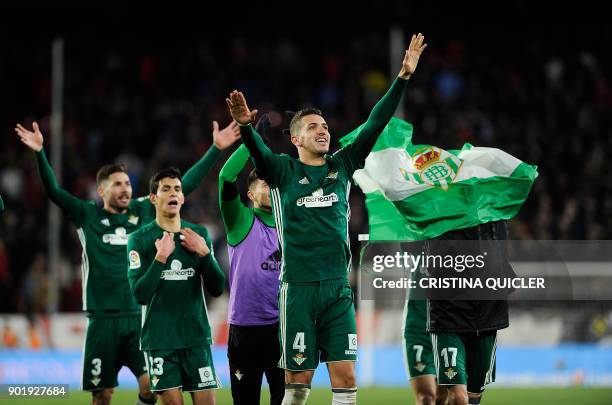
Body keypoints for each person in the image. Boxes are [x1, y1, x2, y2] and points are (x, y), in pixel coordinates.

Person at [227, 33, 427, 405]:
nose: (324, 130)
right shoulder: (282, 171)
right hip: (298, 290)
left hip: (337, 290)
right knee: (297, 383)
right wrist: (244, 127)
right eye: (314, 127)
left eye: (325, 126)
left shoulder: (342, 164)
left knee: (346, 378)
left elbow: (374, 124)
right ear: (296, 139)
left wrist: (402, 78)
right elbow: (257, 152)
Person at [15, 120, 239, 405]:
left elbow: (181, 187)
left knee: (149, 390)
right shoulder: (88, 216)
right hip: (102, 318)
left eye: (127, 184)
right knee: (102, 395)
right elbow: (54, 193)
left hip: (138, 317)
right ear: (101, 191)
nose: (125, 189)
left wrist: (215, 149)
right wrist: (39, 152)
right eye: (117, 184)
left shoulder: (142, 210)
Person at [127, 167, 225, 405]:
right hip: (160, 342)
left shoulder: (198, 235)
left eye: (177, 189)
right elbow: (139, 294)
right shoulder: (139, 239)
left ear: (182, 198)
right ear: (153, 198)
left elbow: (217, 288)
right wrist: (160, 258)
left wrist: (204, 254)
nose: (173, 193)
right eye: (166, 189)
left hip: (196, 338)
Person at [218, 114, 284, 404]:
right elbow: (225, 177)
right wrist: (250, 140)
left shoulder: (289, 224)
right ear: (250, 194)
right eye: (264, 183)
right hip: (245, 331)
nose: (271, 187)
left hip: (283, 328)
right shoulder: (240, 221)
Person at [427, 220, 511, 405]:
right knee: (459, 397)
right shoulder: (441, 200)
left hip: (487, 312)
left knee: (473, 398)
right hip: (447, 312)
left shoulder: (492, 204)